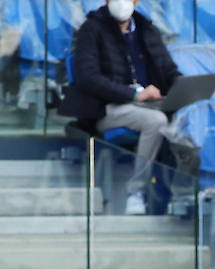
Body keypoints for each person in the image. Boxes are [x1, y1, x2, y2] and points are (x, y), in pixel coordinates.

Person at [59, 0, 181, 216]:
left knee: (184, 117)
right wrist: (134, 94)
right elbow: (88, 78)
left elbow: (167, 69)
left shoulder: (146, 29)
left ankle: (179, 194)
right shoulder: (91, 29)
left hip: (148, 104)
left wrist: (184, 90)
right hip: (106, 108)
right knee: (157, 121)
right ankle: (136, 192)